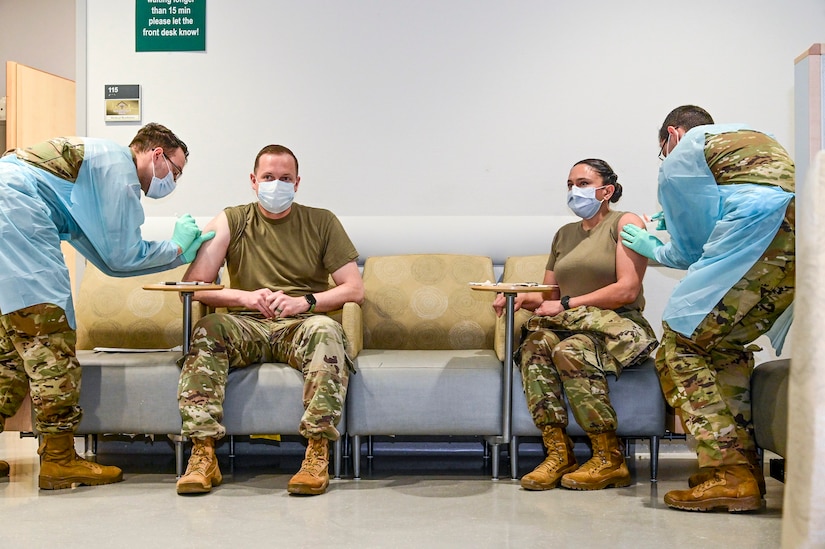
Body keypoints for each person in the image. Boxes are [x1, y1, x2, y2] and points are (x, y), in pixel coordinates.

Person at [0, 123, 213, 488]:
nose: (172, 182)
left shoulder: (94, 168)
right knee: (51, 341)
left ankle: (56, 456)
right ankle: (59, 460)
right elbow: (122, 255)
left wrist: (172, 254)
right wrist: (177, 249)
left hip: (11, 216)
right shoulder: (119, 168)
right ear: (156, 154)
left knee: (9, 350)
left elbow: (105, 257)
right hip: (18, 218)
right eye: (175, 172)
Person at [621, 105, 795, 512]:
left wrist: (655, 244)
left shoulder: (683, 156)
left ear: (673, 134)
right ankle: (743, 472)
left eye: (662, 149)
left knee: (679, 346)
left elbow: (689, 249)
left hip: (755, 241)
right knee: (722, 348)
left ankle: (729, 475)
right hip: (799, 242)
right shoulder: (750, 135)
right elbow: (739, 200)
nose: (664, 158)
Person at [175, 144, 364, 497]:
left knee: (327, 331)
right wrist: (242, 297)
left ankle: (316, 453)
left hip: (300, 324)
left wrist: (303, 303)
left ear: (297, 183)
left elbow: (354, 289)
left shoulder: (322, 221)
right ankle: (202, 455)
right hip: (247, 323)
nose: (276, 185)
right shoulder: (232, 220)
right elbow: (193, 287)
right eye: (268, 177)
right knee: (208, 329)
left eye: (285, 178)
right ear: (253, 180)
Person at [494, 159, 658, 492]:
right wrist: (522, 298)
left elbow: (626, 289)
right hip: (569, 322)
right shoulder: (564, 235)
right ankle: (558, 452)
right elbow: (550, 295)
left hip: (615, 326)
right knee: (535, 344)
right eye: (570, 185)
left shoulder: (624, 223)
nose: (574, 191)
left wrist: (568, 303)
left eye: (582, 184)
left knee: (570, 350)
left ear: (606, 190)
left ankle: (608, 457)